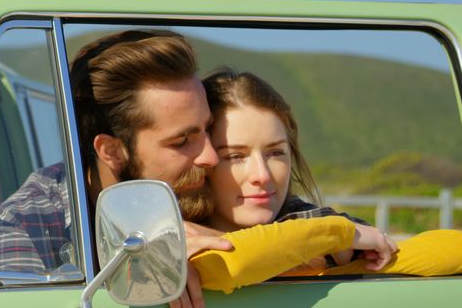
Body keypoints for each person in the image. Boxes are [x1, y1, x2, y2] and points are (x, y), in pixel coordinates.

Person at [0, 30, 231, 308]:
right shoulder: (27, 223)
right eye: (181, 141)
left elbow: (298, 234)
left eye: (208, 129)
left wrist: (227, 250)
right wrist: (146, 263)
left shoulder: (213, 179)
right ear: (111, 151)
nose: (211, 157)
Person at [190, 68, 462, 294]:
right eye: (235, 156)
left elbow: (451, 250)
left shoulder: (308, 219)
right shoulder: (167, 228)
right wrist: (334, 235)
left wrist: (340, 251)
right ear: (203, 161)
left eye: (276, 153)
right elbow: (226, 264)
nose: (262, 175)